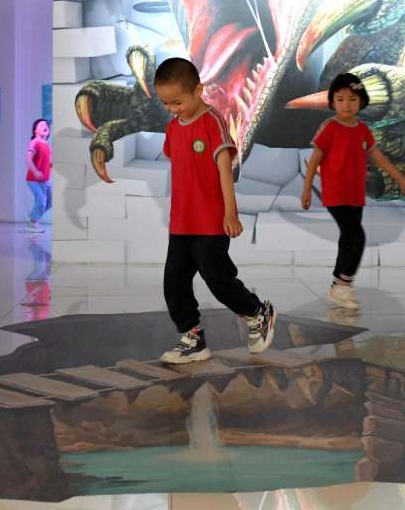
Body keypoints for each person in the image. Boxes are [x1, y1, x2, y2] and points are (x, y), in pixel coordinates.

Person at [96, 57, 275, 363]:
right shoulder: (173, 128)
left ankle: (257, 312)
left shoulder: (212, 121)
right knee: (174, 282)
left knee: (217, 278)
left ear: (198, 90)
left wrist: (230, 213)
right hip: (181, 221)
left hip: (211, 220)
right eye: (165, 103)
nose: (171, 109)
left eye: (177, 102)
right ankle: (193, 338)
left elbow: (224, 170)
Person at [301, 73, 405, 310]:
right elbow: (314, 161)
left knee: (348, 238)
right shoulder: (330, 128)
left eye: (352, 99)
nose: (346, 104)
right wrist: (306, 190)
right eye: (340, 99)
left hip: (356, 194)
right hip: (335, 193)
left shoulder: (363, 129)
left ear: (362, 101)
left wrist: (401, 180)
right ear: (332, 102)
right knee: (357, 236)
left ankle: (338, 285)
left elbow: (379, 158)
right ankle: (344, 284)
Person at [25, 119, 52, 233]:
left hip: (45, 180)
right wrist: (35, 171)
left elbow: (46, 162)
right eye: (41, 125)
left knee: (49, 202)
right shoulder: (34, 142)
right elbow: (28, 158)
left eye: (46, 125)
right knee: (41, 201)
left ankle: (33, 216)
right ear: (35, 130)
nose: (45, 126)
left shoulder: (47, 145)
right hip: (33, 179)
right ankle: (32, 223)